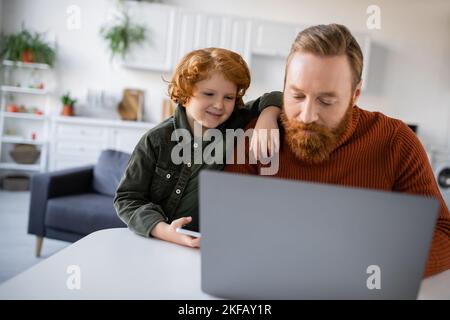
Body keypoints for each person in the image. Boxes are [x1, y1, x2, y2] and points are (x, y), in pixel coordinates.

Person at [225, 24, 450, 277]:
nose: (307, 116)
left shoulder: (396, 141)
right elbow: (225, 223)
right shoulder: (258, 135)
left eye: (326, 101)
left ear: (355, 95)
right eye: (297, 96)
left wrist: (376, 266)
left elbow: (443, 232)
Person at [114, 47, 282, 248]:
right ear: (185, 93)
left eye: (228, 97)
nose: (219, 105)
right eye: (209, 94)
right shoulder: (157, 140)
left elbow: (276, 96)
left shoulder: (236, 122)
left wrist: (268, 115)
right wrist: (164, 231)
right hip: (162, 242)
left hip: (212, 244)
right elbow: (127, 198)